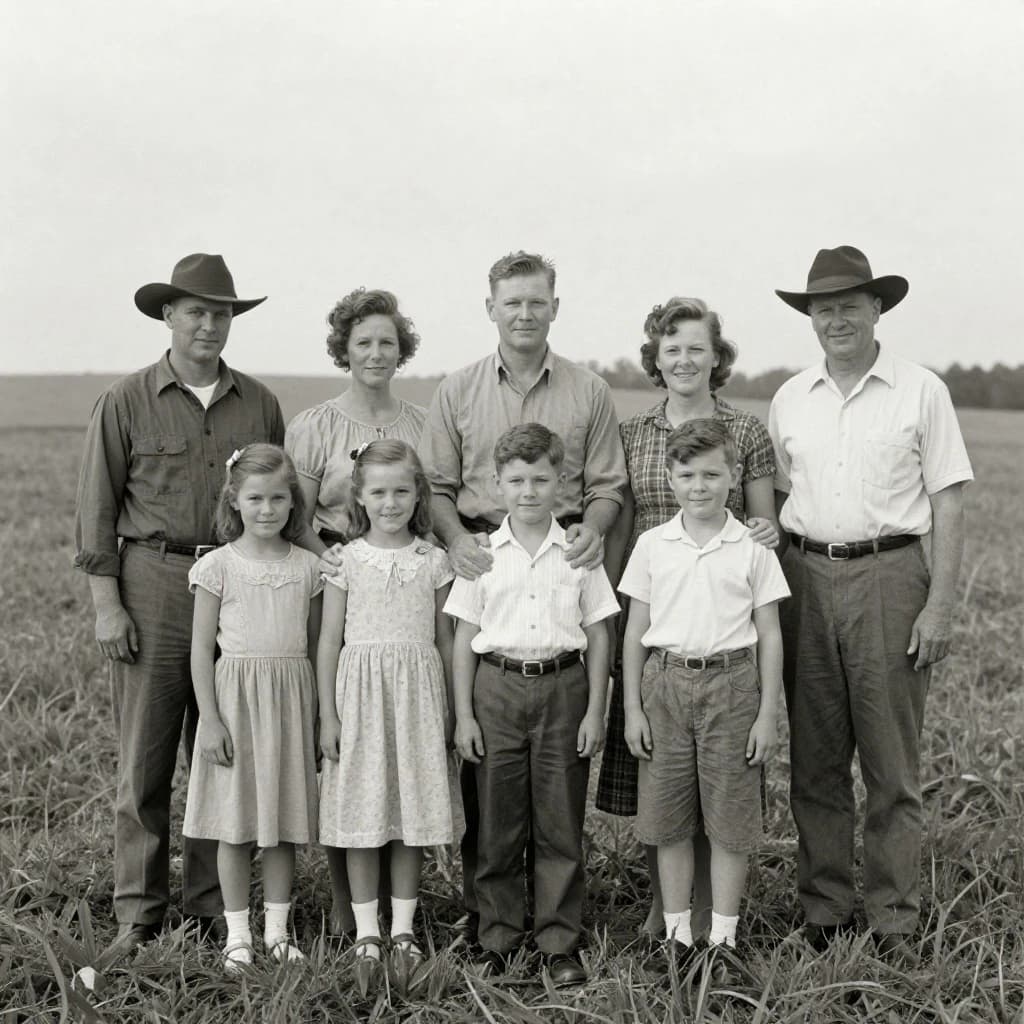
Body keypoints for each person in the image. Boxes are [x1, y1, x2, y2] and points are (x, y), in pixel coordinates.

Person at [769, 245, 973, 961]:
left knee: (891, 764)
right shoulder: (791, 398)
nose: (836, 319)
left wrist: (939, 607)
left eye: (850, 305)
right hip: (804, 580)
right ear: (811, 318)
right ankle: (824, 909)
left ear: (878, 309)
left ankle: (893, 919)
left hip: (891, 578)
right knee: (816, 760)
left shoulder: (921, 391)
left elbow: (948, 502)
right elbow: (782, 500)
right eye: (823, 308)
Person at [73, 253, 284, 947]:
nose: (209, 324)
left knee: (220, 750)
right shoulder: (125, 400)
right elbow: (96, 514)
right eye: (195, 311)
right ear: (168, 316)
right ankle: (138, 912)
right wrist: (109, 606)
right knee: (145, 760)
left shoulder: (258, 403)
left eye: (221, 313)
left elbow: (278, 504)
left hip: (236, 585)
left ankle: (208, 907)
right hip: (153, 582)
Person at [418, 250, 627, 942]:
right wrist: (455, 542)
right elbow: (438, 489)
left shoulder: (589, 391)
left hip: (563, 558)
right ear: (490, 309)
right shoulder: (457, 390)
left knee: (560, 805)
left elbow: (604, 488)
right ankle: (495, 925)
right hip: (484, 561)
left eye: (537, 301)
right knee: (494, 797)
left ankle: (559, 930)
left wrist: (592, 534)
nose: (525, 314)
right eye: (512, 303)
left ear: (555, 307)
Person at [596, 296, 780, 939]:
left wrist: (761, 530)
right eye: (670, 349)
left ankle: (712, 914)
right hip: (654, 607)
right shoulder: (633, 433)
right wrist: (616, 619)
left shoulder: (746, 432)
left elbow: (764, 525)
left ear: (716, 355)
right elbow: (619, 529)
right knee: (662, 778)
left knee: (719, 780)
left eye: (696, 348)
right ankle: (666, 908)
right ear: (655, 358)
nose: (683, 359)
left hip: (724, 606)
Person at [447, 423, 620, 985]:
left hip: (562, 688)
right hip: (495, 687)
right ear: (497, 484)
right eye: (516, 480)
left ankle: (557, 940)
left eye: (540, 479)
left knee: (558, 819)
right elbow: (462, 637)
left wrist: (596, 710)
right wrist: (465, 714)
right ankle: (495, 934)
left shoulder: (578, 553)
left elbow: (599, 633)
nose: (528, 491)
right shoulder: (480, 555)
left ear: (560, 482)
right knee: (495, 818)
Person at [620, 419, 789, 962]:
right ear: (669, 479)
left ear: (734, 476)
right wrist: (631, 709)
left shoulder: (753, 547)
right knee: (667, 817)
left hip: (733, 685)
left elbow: (770, 632)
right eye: (688, 474)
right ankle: (676, 934)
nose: (700, 486)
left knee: (730, 816)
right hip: (663, 685)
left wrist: (768, 714)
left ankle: (722, 936)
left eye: (712, 474)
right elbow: (633, 631)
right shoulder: (651, 544)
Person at [317, 439, 462, 984]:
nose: (391, 502)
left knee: (408, 819)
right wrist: (328, 716)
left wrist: (451, 708)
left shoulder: (434, 559)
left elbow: (447, 640)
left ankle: (402, 928)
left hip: (418, 702)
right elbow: (329, 641)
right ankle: (366, 933)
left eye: (402, 490)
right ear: (359, 497)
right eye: (378, 491)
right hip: (358, 702)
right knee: (361, 817)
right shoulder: (345, 560)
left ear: (418, 493)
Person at [183, 444, 323, 971]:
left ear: (293, 504)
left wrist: (316, 717)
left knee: (283, 822)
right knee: (236, 824)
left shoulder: (311, 568)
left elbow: (314, 647)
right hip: (236, 702)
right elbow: (201, 650)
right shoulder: (216, 566)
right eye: (255, 498)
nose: (267, 509)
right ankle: (237, 934)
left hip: (291, 700)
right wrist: (210, 719)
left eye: (278, 499)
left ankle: (278, 932)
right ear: (234, 501)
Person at [286, 288, 426, 553]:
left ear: (400, 350)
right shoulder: (314, 427)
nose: (376, 354)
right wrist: (332, 563)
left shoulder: (424, 424)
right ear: (345, 350)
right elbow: (297, 524)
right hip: (336, 569)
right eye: (363, 343)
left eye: (386, 343)